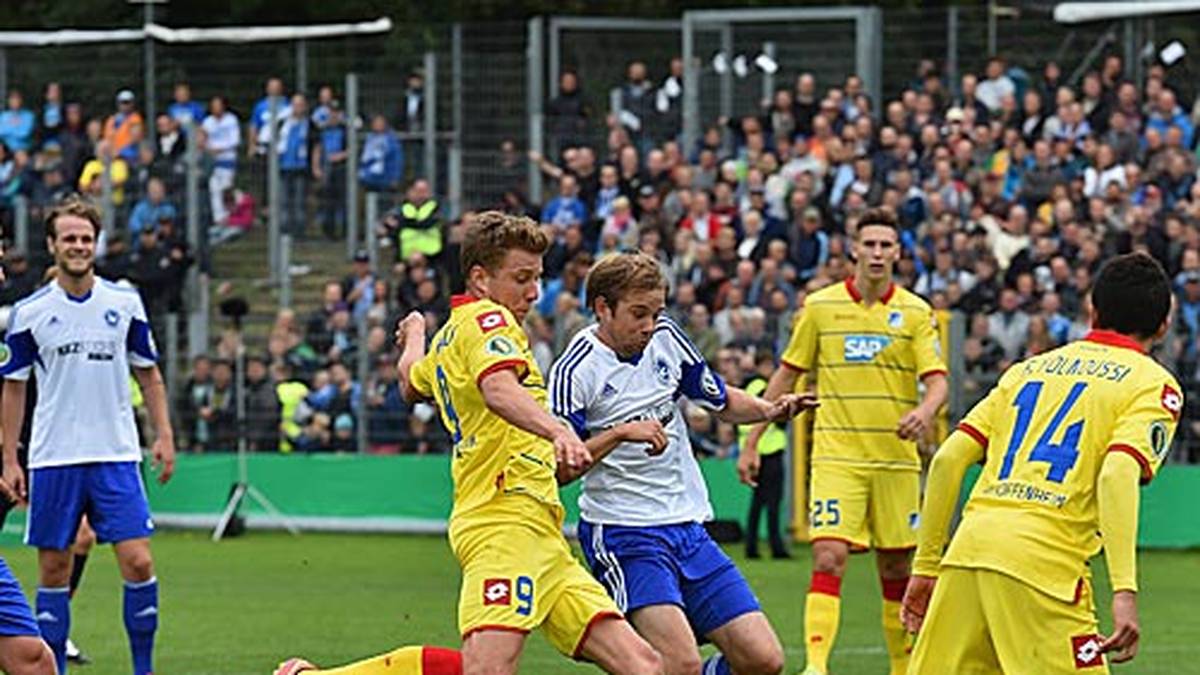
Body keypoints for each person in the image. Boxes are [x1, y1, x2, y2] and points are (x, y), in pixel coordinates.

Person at [902, 252, 1179, 673]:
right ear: (1163, 324)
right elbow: (1117, 472)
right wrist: (1124, 591)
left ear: (1093, 310)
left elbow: (948, 458)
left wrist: (924, 568)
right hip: (1044, 569)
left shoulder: (1028, 370)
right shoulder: (1153, 385)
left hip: (968, 555)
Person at [549, 252, 815, 675]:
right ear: (602, 308)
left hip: (686, 528)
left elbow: (720, 399)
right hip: (624, 534)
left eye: (656, 312)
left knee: (763, 660)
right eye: (638, 313)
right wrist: (619, 433)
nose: (649, 325)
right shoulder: (574, 370)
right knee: (678, 663)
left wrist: (769, 410)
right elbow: (560, 470)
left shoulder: (667, 338)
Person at [739, 207, 948, 675]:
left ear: (898, 252)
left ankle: (903, 668)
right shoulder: (820, 307)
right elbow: (786, 374)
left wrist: (924, 411)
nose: (876, 253)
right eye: (868, 244)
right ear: (853, 249)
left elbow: (937, 381)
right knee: (829, 556)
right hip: (837, 457)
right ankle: (817, 667)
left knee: (897, 570)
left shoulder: (916, 312)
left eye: (885, 245)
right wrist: (752, 441)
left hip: (895, 462)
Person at [0, 195, 176, 675]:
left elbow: (150, 375)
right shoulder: (30, 312)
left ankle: (144, 670)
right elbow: (13, 388)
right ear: (52, 245)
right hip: (53, 457)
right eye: (69, 238)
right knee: (54, 571)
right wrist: (9, 459)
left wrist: (164, 435)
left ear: (95, 244)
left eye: (86, 238)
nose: (78, 246)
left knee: (138, 562)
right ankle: (51, 667)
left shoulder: (124, 302)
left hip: (115, 454)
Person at [740, 350, 791, 560]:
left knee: (758, 503)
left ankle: (751, 546)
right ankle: (776, 546)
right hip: (768, 451)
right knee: (772, 503)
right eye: (770, 366)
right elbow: (775, 416)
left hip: (754, 450)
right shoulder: (765, 389)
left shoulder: (749, 386)